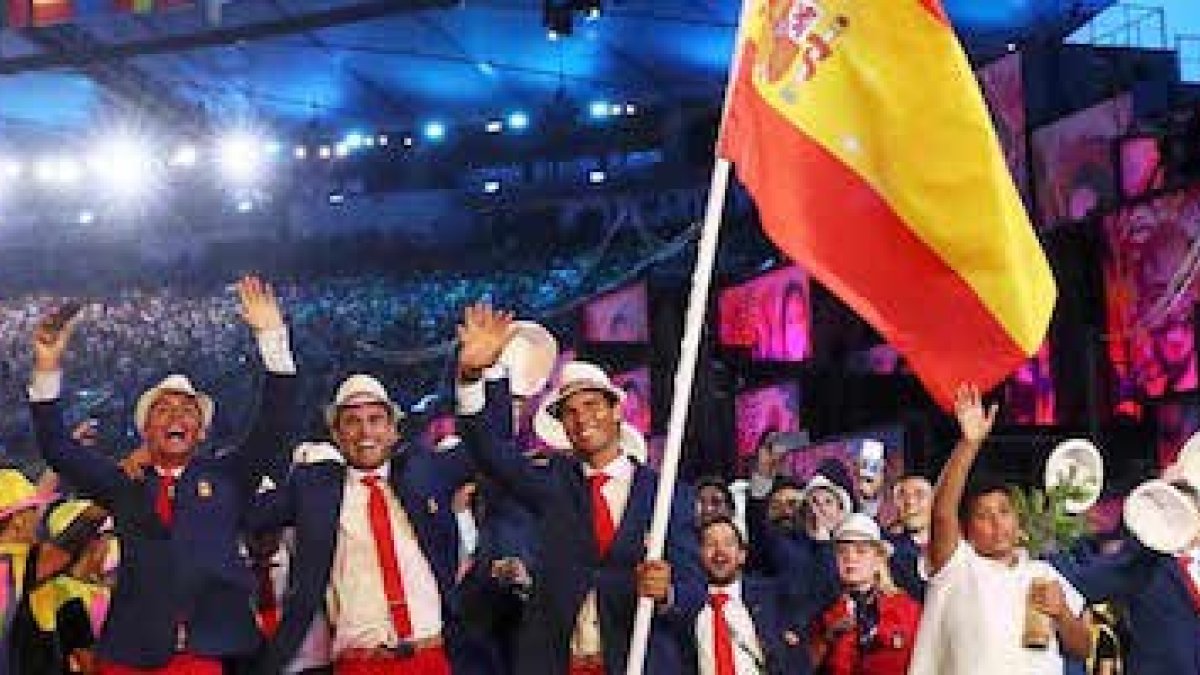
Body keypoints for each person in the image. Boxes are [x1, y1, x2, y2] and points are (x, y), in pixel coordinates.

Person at [27, 276, 297, 674]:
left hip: (209, 652)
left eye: (187, 410)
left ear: (202, 431)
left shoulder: (230, 476)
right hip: (130, 655)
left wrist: (272, 338)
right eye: (163, 410)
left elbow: (274, 423)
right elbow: (58, 448)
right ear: (145, 431)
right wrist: (47, 367)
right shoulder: (123, 486)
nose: (175, 416)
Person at [454, 304, 704, 674]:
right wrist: (472, 376)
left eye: (591, 404)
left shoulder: (667, 495)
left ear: (616, 410)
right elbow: (489, 451)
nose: (582, 417)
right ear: (562, 427)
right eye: (569, 411)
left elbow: (694, 589)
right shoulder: (551, 482)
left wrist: (667, 592)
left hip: (638, 663)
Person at [252, 372, 475, 675]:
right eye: (352, 421)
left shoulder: (423, 473)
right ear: (336, 433)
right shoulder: (313, 489)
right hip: (358, 664)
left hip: (429, 656)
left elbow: (486, 448)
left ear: (393, 430)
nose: (365, 431)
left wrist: (474, 378)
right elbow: (241, 511)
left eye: (375, 419)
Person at [908, 385, 1093, 675]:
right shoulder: (957, 567)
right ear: (966, 530)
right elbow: (942, 513)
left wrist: (1063, 613)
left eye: (1004, 512)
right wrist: (969, 444)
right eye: (984, 515)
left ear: (1018, 521)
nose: (997, 523)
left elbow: (1082, 647)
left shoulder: (1042, 574)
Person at [691, 516, 818, 675]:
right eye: (710, 544)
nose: (719, 551)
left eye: (728, 543)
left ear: (742, 555)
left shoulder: (773, 598)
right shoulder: (688, 604)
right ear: (699, 554)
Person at [807, 514, 920, 674]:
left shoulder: (907, 609)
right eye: (842, 552)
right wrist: (828, 638)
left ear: (878, 560)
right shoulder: (825, 613)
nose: (850, 558)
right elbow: (806, 666)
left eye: (861, 551)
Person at [885, 475, 933, 599]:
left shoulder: (958, 547)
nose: (910, 502)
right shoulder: (887, 553)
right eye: (902, 496)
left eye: (919, 494)